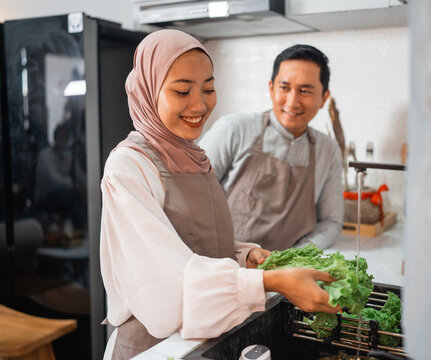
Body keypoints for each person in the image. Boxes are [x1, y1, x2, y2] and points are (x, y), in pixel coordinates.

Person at [100, 30, 340, 359]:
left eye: (209, 89)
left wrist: (242, 255)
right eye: (182, 91)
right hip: (155, 346)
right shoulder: (128, 166)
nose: (199, 104)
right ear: (148, 91)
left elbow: (193, 240)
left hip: (209, 335)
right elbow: (166, 279)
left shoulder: (195, 156)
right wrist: (269, 282)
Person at [199, 44, 343, 251]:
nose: (292, 102)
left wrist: (292, 259)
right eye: (284, 88)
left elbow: (331, 222)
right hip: (224, 261)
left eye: (305, 91)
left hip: (287, 273)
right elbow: (193, 198)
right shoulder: (233, 129)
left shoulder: (327, 150)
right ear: (271, 88)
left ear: (324, 98)